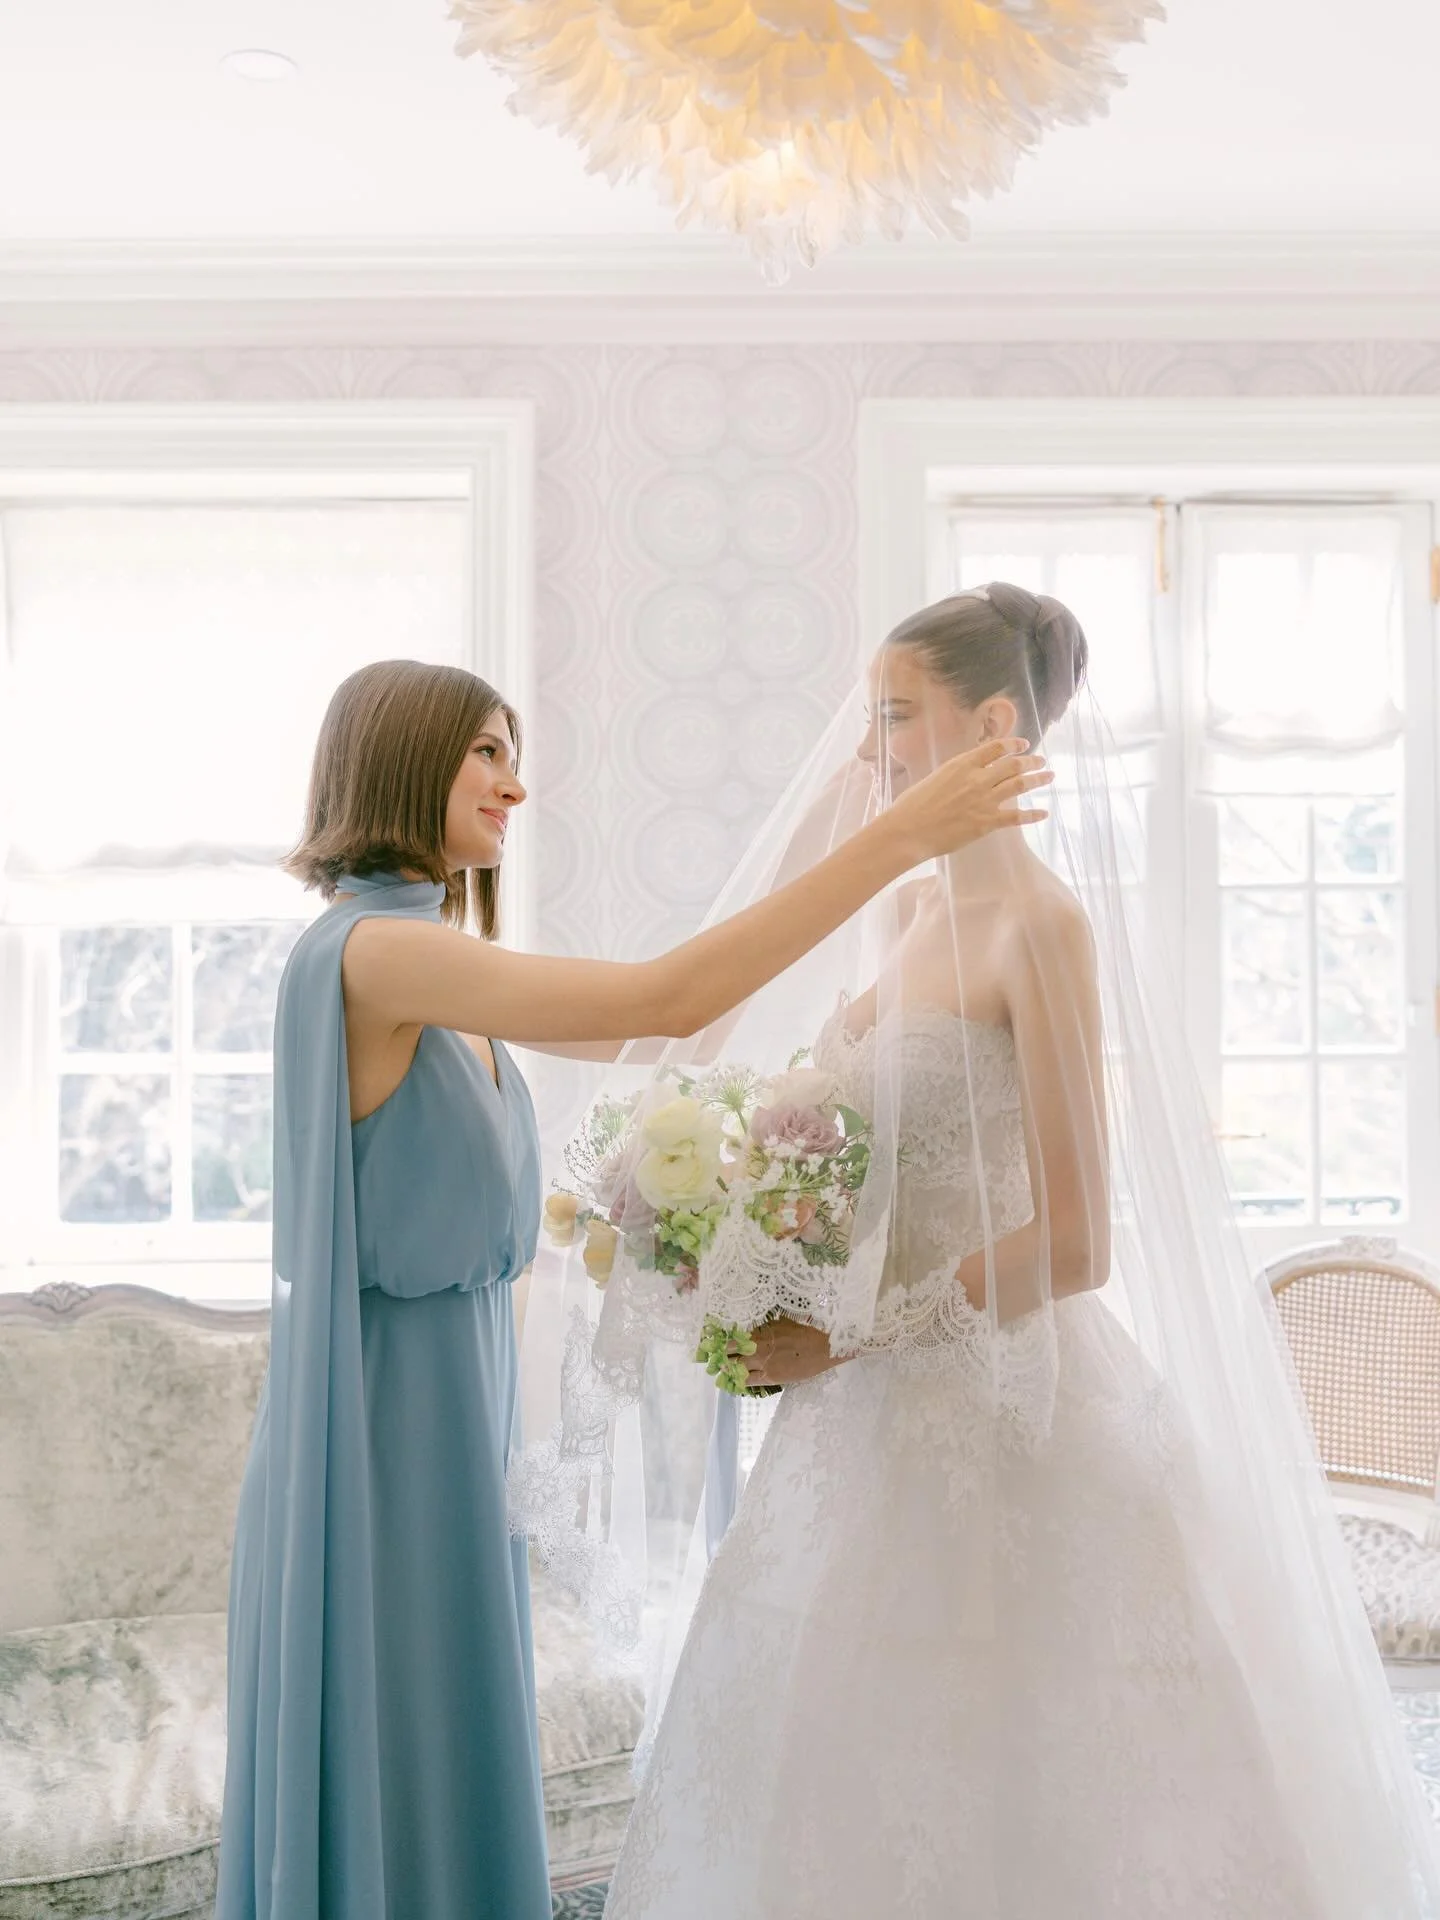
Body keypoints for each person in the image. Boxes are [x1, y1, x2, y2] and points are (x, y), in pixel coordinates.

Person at [518, 587, 1440, 1919]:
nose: (870, 751)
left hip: (1012, 1411)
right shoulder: (906, 920)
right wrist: (744, 1225)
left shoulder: (1042, 930)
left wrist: (853, 1332)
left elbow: (1075, 1241)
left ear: (992, 721)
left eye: (896, 716)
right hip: (856, 1419)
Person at [214, 655, 1049, 1920]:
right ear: (399, 759)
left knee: (442, 1741)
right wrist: (892, 844)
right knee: (398, 1748)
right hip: (379, 1439)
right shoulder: (373, 955)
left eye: (512, 751)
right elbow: (668, 996)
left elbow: (677, 1026)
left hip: (453, 1415)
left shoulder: (436, 958)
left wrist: (840, 810)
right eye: (486, 752)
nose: (518, 782)